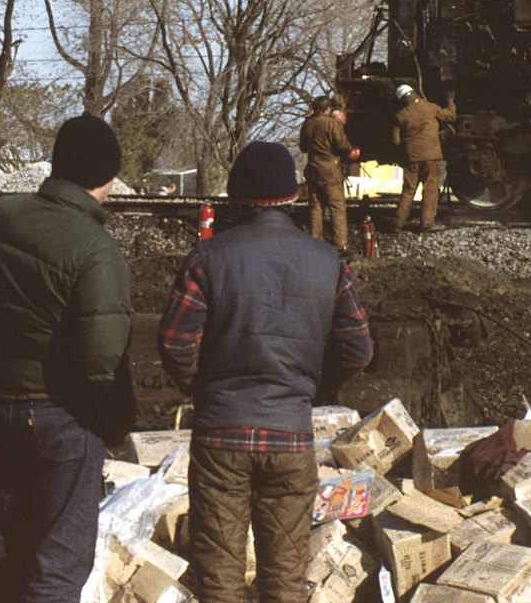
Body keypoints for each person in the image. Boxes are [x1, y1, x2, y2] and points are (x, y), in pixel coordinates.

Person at [157, 142, 373, 603]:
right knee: (285, 580)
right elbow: (358, 348)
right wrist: (311, 386)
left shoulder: (206, 257)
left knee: (219, 579)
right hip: (290, 436)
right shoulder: (329, 263)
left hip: (219, 437)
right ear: (293, 196)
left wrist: (205, 389)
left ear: (237, 197)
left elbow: (176, 343)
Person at [0, 113, 135, 603]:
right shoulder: (97, 251)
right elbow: (100, 362)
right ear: (107, 177)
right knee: (58, 570)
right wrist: (115, 426)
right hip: (60, 419)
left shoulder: (2, 216)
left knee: (6, 557)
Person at [392, 84, 458, 233]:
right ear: (414, 94)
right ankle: (427, 223)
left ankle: (397, 224)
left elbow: (396, 141)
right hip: (431, 156)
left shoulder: (400, 115)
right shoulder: (430, 108)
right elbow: (451, 117)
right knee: (430, 189)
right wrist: (450, 102)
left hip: (411, 158)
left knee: (408, 191)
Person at [298, 95, 359, 254]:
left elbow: (303, 148)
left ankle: (315, 241)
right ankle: (340, 244)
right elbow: (342, 145)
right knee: (337, 206)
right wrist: (352, 150)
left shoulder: (307, 125)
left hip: (312, 169)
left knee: (316, 206)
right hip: (330, 171)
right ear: (327, 109)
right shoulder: (332, 124)